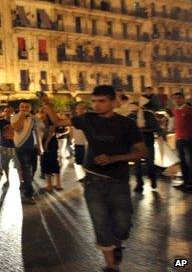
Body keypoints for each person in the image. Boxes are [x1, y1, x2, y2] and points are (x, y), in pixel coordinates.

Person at [40, 85, 147, 271]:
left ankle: (117, 243)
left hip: (118, 182)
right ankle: (111, 266)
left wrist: (114, 158)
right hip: (93, 182)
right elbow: (57, 122)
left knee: (123, 226)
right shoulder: (87, 119)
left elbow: (142, 152)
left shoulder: (126, 124)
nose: (96, 105)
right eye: (94, 101)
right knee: (101, 224)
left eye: (102, 101)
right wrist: (47, 103)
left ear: (113, 102)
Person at [11, 101, 43, 204]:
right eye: (22, 107)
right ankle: (29, 194)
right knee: (26, 170)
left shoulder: (33, 119)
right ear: (19, 107)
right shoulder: (15, 117)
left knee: (34, 169)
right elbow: (16, 128)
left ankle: (26, 185)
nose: (24, 108)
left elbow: (37, 132)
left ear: (30, 108)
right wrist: (22, 117)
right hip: (21, 147)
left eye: (26, 107)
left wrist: (39, 146)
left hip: (32, 147)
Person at [130, 98, 160, 193]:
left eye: (134, 110)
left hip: (148, 143)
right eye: (132, 110)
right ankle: (139, 184)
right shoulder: (130, 117)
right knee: (137, 165)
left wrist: (141, 130)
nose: (133, 112)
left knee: (150, 163)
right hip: (135, 145)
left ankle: (153, 178)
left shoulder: (148, 115)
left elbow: (155, 128)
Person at [0, 106, 20, 188]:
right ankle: (8, 180)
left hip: (15, 146)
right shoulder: (1, 122)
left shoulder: (16, 121)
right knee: (5, 165)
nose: (7, 113)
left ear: (12, 112)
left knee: (18, 166)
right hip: (4, 146)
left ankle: (21, 182)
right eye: (6, 111)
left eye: (9, 111)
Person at [171, 92, 192, 193]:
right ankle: (186, 181)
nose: (177, 100)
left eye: (179, 98)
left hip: (188, 139)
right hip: (179, 139)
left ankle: (190, 183)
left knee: (189, 162)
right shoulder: (175, 110)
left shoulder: (188, 110)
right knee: (182, 162)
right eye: (174, 98)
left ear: (183, 99)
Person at [39, 111, 62, 192]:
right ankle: (57, 184)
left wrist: (46, 143)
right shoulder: (46, 120)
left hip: (49, 142)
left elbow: (52, 132)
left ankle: (49, 185)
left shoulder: (51, 120)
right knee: (53, 162)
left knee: (47, 162)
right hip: (50, 142)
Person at [71, 102, 88, 181]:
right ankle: (85, 176)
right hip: (77, 142)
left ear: (85, 110)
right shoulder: (74, 119)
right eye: (79, 108)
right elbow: (72, 130)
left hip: (86, 144)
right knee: (79, 161)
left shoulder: (87, 119)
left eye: (82, 108)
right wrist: (72, 139)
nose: (80, 110)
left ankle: (87, 176)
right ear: (76, 110)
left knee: (86, 160)